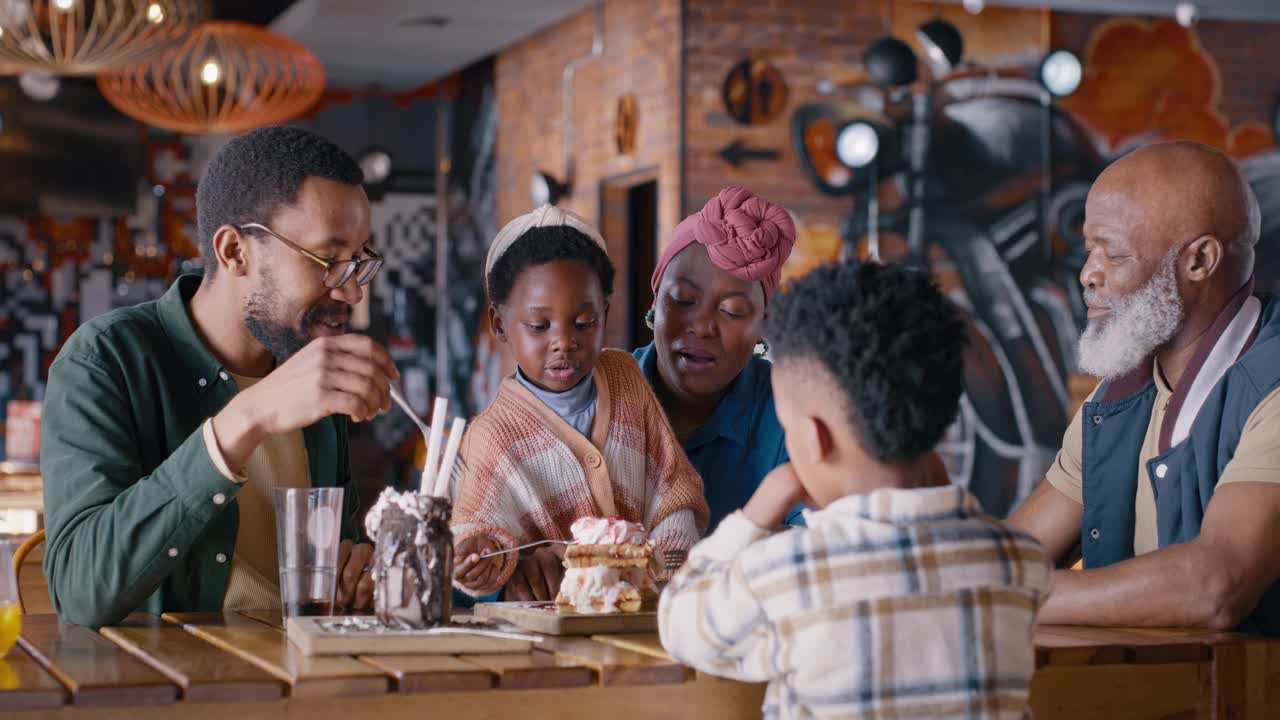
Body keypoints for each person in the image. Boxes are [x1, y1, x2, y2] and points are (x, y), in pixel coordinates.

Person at [659, 259, 1053, 719]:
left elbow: (680, 624)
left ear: (814, 437)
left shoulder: (787, 574)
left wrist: (757, 513)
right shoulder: (1017, 561)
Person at [40, 126, 395, 627]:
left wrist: (357, 569)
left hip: (310, 684)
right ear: (234, 251)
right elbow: (80, 592)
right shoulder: (106, 359)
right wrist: (246, 417)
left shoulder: (309, 363)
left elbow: (334, 560)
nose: (352, 293)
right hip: (171, 694)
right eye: (328, 259)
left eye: (357, 261)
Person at [1008, 140, 1280, 635]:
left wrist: (994, 595)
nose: (1088, 274)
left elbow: (1215, 588)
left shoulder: (1273, 387)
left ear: (1199, 261)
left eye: (1112, 254)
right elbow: (1015, 553)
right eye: (1088, 250)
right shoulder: (1114, 398)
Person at [451, 206, 709, 601]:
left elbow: (672, 494)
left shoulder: (625, 379)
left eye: (584, 323)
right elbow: (478, 535)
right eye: (539, 327)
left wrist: (664, 571)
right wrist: (476, 561)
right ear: (499, 323)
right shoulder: (491, 436)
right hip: (547, 629)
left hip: (646, 617)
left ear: (605, 313)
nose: (564, 341)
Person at [634, 185, 800, 531]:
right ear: (655, 299)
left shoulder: (792, 412)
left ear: (762, 325)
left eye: (732, 311)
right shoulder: (595, 392)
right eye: (682, 300)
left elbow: (818, 545)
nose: (703, 326)